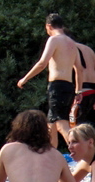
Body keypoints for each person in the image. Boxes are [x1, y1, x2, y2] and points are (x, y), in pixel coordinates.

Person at [18, 13, 82, 148]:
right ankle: (51, 154)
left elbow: (42, 63)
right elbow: (79, 69)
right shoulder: (72, 43)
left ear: (48, 26)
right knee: (51, 124)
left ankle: (82, 151)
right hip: (69, 86)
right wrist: (79, 91)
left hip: (57, 86)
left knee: (61, 123)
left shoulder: (54, 40)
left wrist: (25, 78)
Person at [71, 40, 95, 127]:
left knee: (74, 123)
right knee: (81, 121)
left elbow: (79, 70)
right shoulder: (89, 49)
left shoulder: (69, 47)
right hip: (94, 88)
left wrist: (77, 91)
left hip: (82, 87)